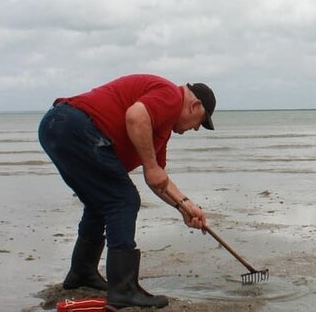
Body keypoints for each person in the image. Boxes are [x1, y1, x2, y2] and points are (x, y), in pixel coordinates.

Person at [38, 74, 215, 309]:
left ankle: (81, 272)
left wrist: (185, 206)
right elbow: (135, 116)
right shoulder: (171, 96)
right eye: (199, 122)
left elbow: (158, 178)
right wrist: (150, 166)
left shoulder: (161, 126)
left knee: (99, 201)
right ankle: (123, 289)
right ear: (195, 105)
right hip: (74, 125)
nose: (195, 129)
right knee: (124, 199)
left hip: (56, 126)